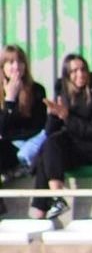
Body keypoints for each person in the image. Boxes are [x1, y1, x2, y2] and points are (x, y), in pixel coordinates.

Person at [30, 54, 92, 220]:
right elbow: (50, 131)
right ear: (67, 76)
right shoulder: (64, 96)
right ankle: (47, 207)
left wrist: (67, 117)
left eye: (83, 69)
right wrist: (53, 115)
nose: (80, 74)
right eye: (74, 71)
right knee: (48, 147)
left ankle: (48, 205)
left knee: (50, 147)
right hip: (77, 147)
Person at [0, 45, 47, 210]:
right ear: (2, 67)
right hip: (8, 148)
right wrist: (10, 99)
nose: (16, 67)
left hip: (30, 145)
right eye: (10, 62)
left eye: (20, 61)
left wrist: (11, 134)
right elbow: (2, 129)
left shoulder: (37, 90)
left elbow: (38, 126)